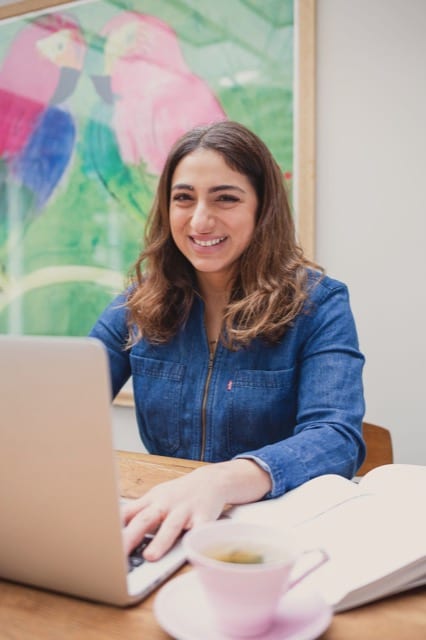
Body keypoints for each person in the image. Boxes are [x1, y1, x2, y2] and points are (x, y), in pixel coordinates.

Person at [90, 120, 365, 562]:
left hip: (271, 539)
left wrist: (222, 480)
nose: (200, 219)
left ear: (262, 207)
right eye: (184, 198)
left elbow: (336, 438)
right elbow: (64, 406)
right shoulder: (137, 303)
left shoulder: (320, 303)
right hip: (169, 526)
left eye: (226, 198)